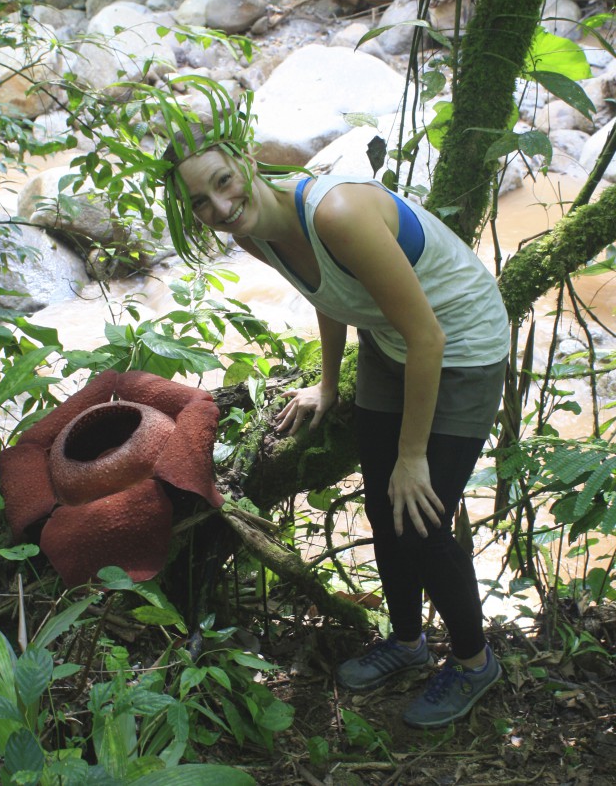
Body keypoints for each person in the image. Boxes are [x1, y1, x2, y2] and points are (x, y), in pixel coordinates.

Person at [159, 117, 510, 729]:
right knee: (382, 506)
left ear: (246, 157)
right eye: (200, 202)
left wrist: (413, 454)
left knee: (421, 520)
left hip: (458, 348)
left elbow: (428, 335)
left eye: (222, 181)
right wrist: (326, 383)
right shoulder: (252, 232)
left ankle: (476, 661)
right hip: (390, 341)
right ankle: (406, 643)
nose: (220, 205)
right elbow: (327, 291)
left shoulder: (336, 211)